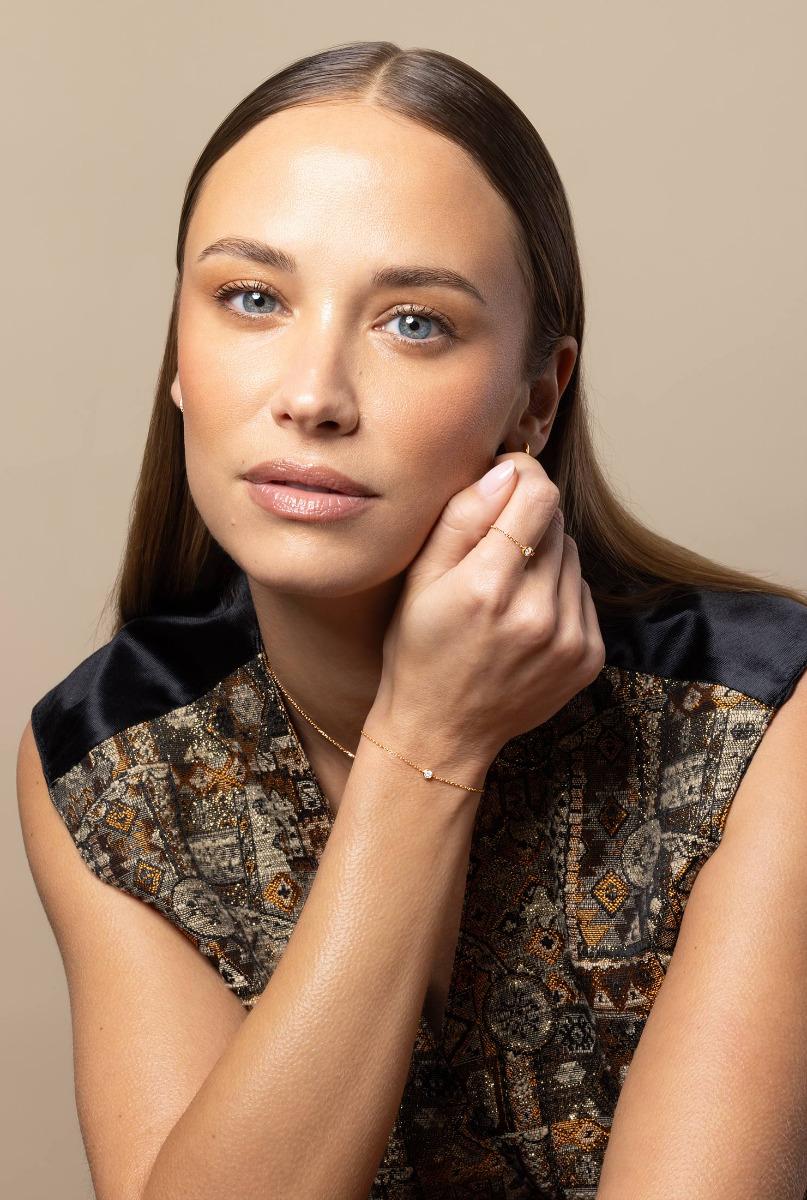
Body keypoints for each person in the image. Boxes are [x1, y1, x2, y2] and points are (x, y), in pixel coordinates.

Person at [17, 39, 807, 1200]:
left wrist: (429, 740)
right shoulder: (113, 762)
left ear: (536, 400)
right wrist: (425, 745)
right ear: (180, 355)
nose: (312, 396)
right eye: (251, 299)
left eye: (414, 322)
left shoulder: (760, 724)